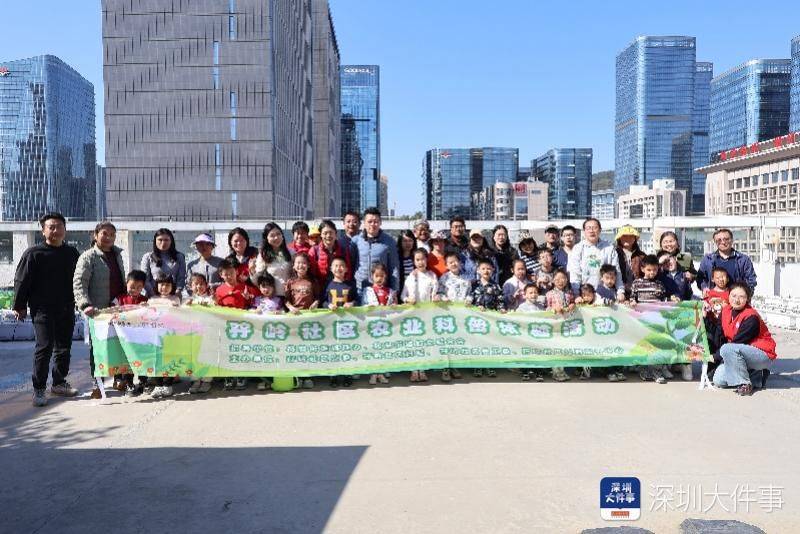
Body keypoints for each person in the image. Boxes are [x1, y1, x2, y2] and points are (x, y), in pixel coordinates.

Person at [14, 212, 81, 406]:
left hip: (67, 307)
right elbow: (21, 281)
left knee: (64, 348)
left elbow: (80, 279)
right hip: (42, 309)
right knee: (44, 347)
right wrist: (19, 306)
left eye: (59, 226)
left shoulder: (72, 253)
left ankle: (59, 383)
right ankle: (39, 389)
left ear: (65, 230)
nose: (56, 230)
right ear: (43, 231)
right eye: (51, 227)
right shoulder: (33, 254)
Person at [74, 221, 127, 399]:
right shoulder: (88, 256)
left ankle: (119, 378)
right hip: (97, 311)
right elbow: (79, 283)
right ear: (95, 235)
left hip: (117, 309)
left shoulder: (117, 255)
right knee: (98, 348)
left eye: (112, 235)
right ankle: (97, 383)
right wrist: (84, 304)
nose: (108, 238)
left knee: (118, 344)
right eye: (104, 233)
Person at [713, 283, 777, 396]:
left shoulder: (751, 317)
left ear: (747, 299)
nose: (736, 300)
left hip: (761, 354)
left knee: (727, 348)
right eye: (733, 295)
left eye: (741, 297)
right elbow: (719, 335)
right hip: (738, 353)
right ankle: (757, 375)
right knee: (718, 379)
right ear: (728, 295)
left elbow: (738, 341)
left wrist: (715, 357)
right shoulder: (725, 311)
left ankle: (744, 384)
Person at [629, 255, 677, 384]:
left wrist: (672, 299)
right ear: (643, 269)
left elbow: (663, 300)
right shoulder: (636, 283)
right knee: (644, 345)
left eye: (655, 270)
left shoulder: (659, 284)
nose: (652, 273)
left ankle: (657, 370)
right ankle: (644, 369)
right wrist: (632, 302)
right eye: (649, 270)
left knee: (657, 345)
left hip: (657, 320)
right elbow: (632, 297)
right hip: (642, 320)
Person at [215, 259, 255, 391]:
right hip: (226, 326)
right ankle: (229, 376)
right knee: (227, 351)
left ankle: (242, 376)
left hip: (242, 326)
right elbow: (217, 307)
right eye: (226, 274)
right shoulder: (219, 290)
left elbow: (253, 303)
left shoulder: (244, 287)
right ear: (221, 275)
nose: (229, 276)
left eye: (231, 273)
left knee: (241, 350)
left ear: (236, 272)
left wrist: (248, 298)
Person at [401, 248, 439, 383]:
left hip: (427, 313)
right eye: (417, 260)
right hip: (413, 314)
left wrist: (436, 297)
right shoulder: (411, 277)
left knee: (424, 342)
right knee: (413, 342)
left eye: (422, 259)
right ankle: (413, 369)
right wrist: (408, 300)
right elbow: (403, 295)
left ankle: (422, 369)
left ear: (427, 260)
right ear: (414, 261)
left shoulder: (432, 276)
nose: (420, 262)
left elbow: (435, 293)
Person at [322, 257, 358, 388]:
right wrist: (328, 305)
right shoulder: (328, 285)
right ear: (331, 269)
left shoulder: (350, 284)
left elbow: (357, 300)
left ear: (346, 269)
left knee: (347, 348)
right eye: (336, 266)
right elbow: (323, 301)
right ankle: (333, 374)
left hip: (347, 323)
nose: (339, 268)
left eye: (342, 265)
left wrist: (351, 303)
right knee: (334, 348)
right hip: (332, 323)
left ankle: (347, 374)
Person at [567, 218, 624, 301]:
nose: (591, 231)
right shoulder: (577, 248)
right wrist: (576, 294)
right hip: (585, 294)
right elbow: (575, 273)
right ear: (584, 231)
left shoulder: (609, 248)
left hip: (605, 293)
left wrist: (620, 291)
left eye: (595, 228)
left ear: (600, 230)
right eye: (588, 228)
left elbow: (617, 271)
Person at [352, 207, 400, 303]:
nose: (372, 224)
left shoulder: (389, 242)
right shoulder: (356, 241)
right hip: (359, 289)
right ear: (364, 223)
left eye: (376, 222)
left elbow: (394, 267)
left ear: (380, 222)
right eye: (369, 221)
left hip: (382, 290)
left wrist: (394, 290)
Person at [470, 259, 505, 378]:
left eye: (489, 268)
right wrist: (475, 307)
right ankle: (477, 366)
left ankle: (490, 365)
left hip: (490, 319)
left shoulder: (495, 286)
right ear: (478, 270)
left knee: (489, 342)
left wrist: (501, 309)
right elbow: (469, 300)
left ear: (493, 270)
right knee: (477, 343)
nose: (486, 271)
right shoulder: (473, 284)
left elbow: (500, 300)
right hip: (476, 319)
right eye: (483, 268)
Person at [363, 262, 394, 385]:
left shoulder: (389, 291)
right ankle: (373, 373)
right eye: (377, 276)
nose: (379, 278)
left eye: (382, 276)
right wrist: (369, 307)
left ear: (385, 276)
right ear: (372, 276)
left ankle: (381, 372)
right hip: (373, 324)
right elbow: (363, 306)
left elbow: (394, 306)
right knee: (373, 348)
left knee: (383, 349)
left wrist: (393, 306)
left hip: (385, 325)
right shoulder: (368, 290)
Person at [697, 228, 757, 293]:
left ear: (732, 240)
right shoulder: (708, 259)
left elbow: (751, 280)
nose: (723, 242)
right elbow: (700, 278)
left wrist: (744, 294)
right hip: (714, 297)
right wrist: (704, 288)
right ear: (715, 242)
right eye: (719, 240)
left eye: (726, 239)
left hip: (736, 297)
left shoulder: (743, 260)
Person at [250, 222, 293, 300]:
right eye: (272, 235)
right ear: (267, 238)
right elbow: (257, 279)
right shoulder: (263, 256)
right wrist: (252, 271)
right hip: (272, 298)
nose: (276, 238)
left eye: (278, 234)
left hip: (290, 296)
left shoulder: (291, 253)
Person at [545, 269, 574, 382]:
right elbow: (545, 308)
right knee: (555, 347)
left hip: (566, 325)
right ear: (553, 280)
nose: (560, 281)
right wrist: (553, 308)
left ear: (566, 280)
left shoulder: (569, 293)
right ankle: (556, 371)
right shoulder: (549, 294)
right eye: (557, 279)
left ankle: (561, 370)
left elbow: (572, 304)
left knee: (563, 347)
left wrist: (572, 305)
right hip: (554, 325)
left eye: (563, 278)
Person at [140, 228, 187, 297]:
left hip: (173, 296)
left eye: (166, 240)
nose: (163, 243)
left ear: (171, 241)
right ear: (155, 241)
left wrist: (178, 291)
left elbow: (181, 277)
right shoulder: (147, 257)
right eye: (160, 240)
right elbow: (145, 279)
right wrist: (153, 294)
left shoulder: (179, 257)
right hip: (152, 296)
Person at [516, 283, 547, 381]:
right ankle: (525, 371)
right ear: (525, 295)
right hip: (526, 335)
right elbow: (516, 319)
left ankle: (538, 371)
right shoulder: (521, 307)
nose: (533, 295)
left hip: (538, 335)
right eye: (530, 293)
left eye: (535, 292)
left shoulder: (541, 306)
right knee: (526, 353)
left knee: (538, 353)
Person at [615, 225, 646, 298]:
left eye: (631, 236)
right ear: (619, 238)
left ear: (635, 238)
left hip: (638, 292)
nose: (627, 238)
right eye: (624, 236)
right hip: (618, 292)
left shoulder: (642, 255)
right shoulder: (614, 254)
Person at [396, 229, 417, 300]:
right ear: (400, 242)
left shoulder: (416, 257)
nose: (408, 243)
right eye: (405, 241)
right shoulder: (396, 258)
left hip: (414, 292)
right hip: (399, 292)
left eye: (410, 240)